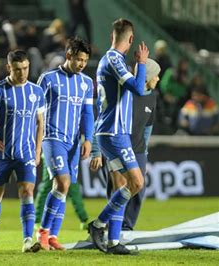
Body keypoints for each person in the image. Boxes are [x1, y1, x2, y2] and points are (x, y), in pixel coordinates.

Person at [87, 18, 149, 255]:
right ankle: (98, 224)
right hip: (114, 132)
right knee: (137, 183)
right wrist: (142, 64)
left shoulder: (112, 60)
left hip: (112, 132)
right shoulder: (113, 59)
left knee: (121, 185)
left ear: (111, 36)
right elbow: (139, 88)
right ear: (131, 39)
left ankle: (113, 242)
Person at [0, 50, 45, 253]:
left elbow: (40, 123)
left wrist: (37, 151)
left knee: (27, 192)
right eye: (18, 69)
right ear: (9, 68)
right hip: (1, 155)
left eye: (25, 68)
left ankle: (28, 240)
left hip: (26, 153)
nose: (22, 73)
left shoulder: (36, 92)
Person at [36, 37, 94, 251]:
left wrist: (88, 139)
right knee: (62, 183)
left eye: (85, 60)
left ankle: (52, 236)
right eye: (78, 59)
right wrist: (36, 140)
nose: (81, 64)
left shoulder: (86, 83)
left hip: (73, 143)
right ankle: (42, 232)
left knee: (63, 187)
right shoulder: (48, 79)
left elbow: (88, 113)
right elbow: (37, 113)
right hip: (52, 138)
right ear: (68, 56)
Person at [90, 58, 161, 231]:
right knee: (118, 187)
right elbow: (102, 119)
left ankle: (127, 226)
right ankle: (110, 226)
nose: (158, 79)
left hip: (138, 150)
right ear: (148, 76)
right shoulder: (125, 94)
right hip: (118, 146)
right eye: (156, 75)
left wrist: (144, 151)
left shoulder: (152, 98)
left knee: (138, 189)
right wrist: (96, 151)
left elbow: (148, 127)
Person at [34, 157, 90, 231]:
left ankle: (84, 220)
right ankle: (37, 221)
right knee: (48, 187)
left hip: (67, 156)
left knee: (73, 188)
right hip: (53, 155)